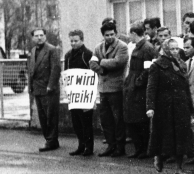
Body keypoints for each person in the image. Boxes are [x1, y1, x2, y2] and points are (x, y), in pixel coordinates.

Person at [146, 38, 194, 174]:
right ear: (166, 49)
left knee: (181, 137)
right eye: (172, 49)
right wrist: (150, 107)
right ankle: (159, 158)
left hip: (181, 106)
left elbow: (185, 88)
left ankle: (180, 167)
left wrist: (190, 109)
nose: (175, 51)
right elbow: (151, 88)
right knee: (164, 136)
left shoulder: (181, 64)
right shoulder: (157, 65)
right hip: (164, 107)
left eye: (176, 48)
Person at [90, 21, 129, 157]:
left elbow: (118, 62)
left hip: (116, 87)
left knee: (118, 119)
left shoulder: (122, 46)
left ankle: (120, 147)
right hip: (103, 87)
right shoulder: (98, 47)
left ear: (116, 33)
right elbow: (92, 63)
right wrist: (101, 70)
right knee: (106, 119)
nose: (110, 37)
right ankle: (110, 145)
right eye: (107, 35)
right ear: (103, 35)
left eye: (112, 34)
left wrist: (101, 62)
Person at [123, 24, 158, 159]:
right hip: (133, 86)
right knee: (133, 119)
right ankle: (139, 149)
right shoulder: (139, 47)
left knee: (140, 120)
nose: (129, 37)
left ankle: (144, 149)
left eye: (130, 34)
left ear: (134, 33)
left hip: (139, 89)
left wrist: (138, 81)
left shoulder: (147, 48)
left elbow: (149, 69)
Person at [28, 28, 61, 152]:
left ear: (45, 36)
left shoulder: (52, 49)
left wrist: (50, 86)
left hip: (48, 89)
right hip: (37, 89)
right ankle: (50, 140)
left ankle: (51, 141)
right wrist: (30, 87)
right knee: (42, 117)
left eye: (41, 35)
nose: (39, 37)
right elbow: (31, 70)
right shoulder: (33, 50)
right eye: (36, 36)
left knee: (51, 116)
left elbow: (56, 68)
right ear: (33, 38)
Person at [64, 29, 94, 156]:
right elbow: (66, 72)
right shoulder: (68, 55)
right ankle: (81, 145)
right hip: (74, 93)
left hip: (85, 93)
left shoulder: (88, 54)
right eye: (71, 41)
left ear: (82, 40)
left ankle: (89, 147)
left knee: (86, 121)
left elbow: (92, 73)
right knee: (76, 122)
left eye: (76, 41)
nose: (73, 43)